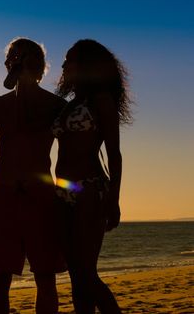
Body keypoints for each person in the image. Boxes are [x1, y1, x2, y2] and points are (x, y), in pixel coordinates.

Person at [0, 37, 67, 314]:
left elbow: (71, 154)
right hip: (3, 198)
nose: (21, 63)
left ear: (40, 66)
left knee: (45, 277)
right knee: (0, 279)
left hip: (41, 199)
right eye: (16, 58)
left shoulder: (56, 105)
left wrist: (72, 193)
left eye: (28, 58)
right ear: (8, 64)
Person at [53, 39, 132, 313]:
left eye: (69, 59)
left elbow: (115, 154)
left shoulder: (102, 101)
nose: (64, 65)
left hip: (89, 189)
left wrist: (114, 199)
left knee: (86, 273)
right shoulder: (72, 103)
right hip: (62, 191)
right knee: (76, 275)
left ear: (86, 65)